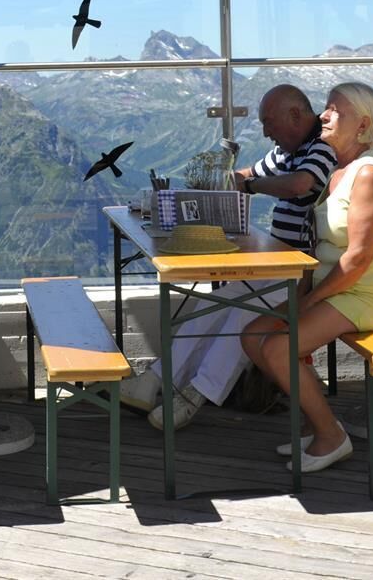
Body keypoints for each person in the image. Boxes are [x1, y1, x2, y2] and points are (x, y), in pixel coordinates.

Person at [119, 83, 338, 431]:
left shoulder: (323, 148)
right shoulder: (288, 150)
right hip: (278, 264)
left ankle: (195, 395)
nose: (266, 133)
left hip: (305, 273)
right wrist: (226, 179)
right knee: (214, 304)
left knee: (242, 315)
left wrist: (247, 186)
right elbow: (251, 173)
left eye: (269, 123)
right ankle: (154, 380)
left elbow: (299, 184)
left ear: (295, 115)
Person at [240, 82, 373, 473]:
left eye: (335, 111)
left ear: (363, 125)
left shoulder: (368, 175)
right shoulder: (340, 170)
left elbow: (358, 259)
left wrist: (308, 301)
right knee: (253, 337)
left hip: (365, 295)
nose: (324, 115)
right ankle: (317, 425)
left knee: (278, 348)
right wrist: (307, 294)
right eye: (326, 107)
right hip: (336, 290)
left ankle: (331, 436)